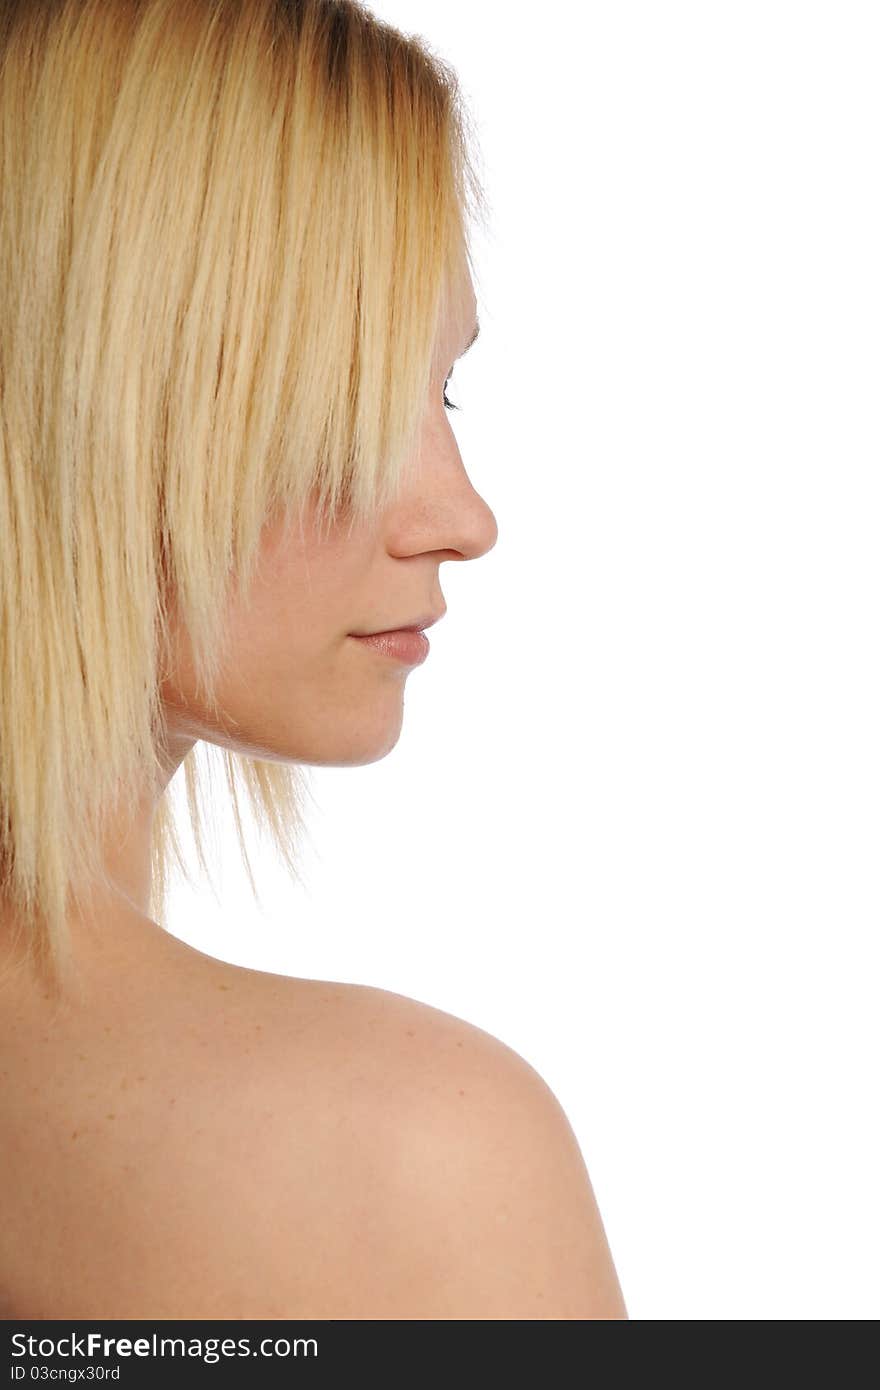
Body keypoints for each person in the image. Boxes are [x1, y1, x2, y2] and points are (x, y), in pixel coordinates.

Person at [0, 0, 627, 1319]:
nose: (464, 517)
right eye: (343, 393)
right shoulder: (419, 1160)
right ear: (90, 391)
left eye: (440, 392)